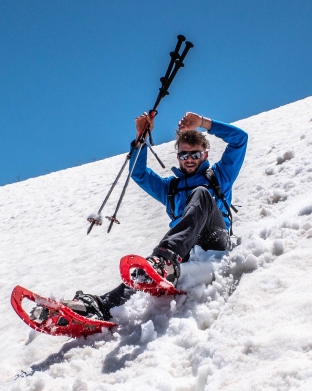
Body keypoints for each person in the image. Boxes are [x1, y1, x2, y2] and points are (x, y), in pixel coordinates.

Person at [66, 112, 248, 320]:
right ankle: (101, 306)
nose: (189, 159)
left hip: (214, 242)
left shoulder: (220, 176)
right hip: (184, 251)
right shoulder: (170, 188)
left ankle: (164, 260)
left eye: (195, 155)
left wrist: (203, 123)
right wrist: (141, 138)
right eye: (184, 155)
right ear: (178, 156)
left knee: (201, 194)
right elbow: (139, 173)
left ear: (205, 155)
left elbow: (240, 139)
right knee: (146, 272)